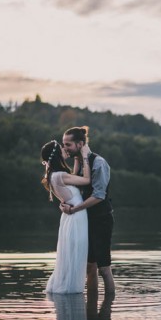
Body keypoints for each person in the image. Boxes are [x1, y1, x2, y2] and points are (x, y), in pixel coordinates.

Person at [60, 126, 116, 295]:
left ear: (80, 144)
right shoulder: (78, 163)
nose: (65, 148)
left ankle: (107, 310)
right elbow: (74, 189)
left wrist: (74, 209)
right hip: (85, 220)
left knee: (104, 267)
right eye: (64, 144)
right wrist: (65, 204)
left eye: (68, 145)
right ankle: (91, 312)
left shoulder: (99, 163)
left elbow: (98, 196)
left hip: (101, 220)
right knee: (89, 266)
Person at [41, 140, 91, 293]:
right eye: (62, 148)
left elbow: (72, 179)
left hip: (70, 216)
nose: (65, 149)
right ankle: (71, 289)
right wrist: (85, 156)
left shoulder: (54, 176)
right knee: (75, 254)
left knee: (71, 254)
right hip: (76, 217)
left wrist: (76, 160)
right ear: (56, 154)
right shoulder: (60, 175)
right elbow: (86, 180)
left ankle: (67, 285)